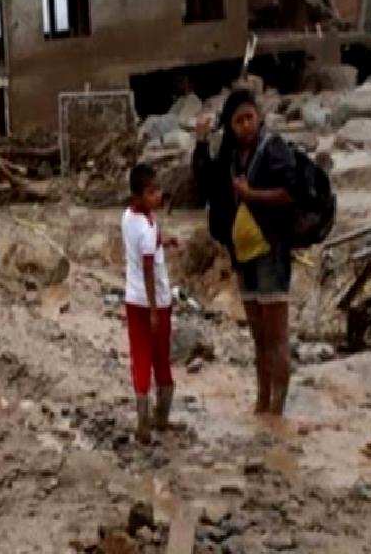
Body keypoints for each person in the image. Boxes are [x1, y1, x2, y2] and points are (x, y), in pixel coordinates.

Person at [193, 88, 297, 416]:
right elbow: (206, 183)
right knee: (258, 336)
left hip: (271, 251)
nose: (245, 126)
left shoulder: (273, 150)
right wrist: (199, 141)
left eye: (249, 118)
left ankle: (277, 409)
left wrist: (252, 195)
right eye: (238, 121)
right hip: (244, 256)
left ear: (259, 117)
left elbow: (290, 192)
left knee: (276, 336)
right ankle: (262, 402)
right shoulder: (231, 158)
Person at [122, 164, 181, 444]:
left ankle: (143, 420)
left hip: (133, 300)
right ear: (138, 195)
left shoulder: (130, 218)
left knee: (140, 357)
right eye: (152, 191)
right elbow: (147, 267)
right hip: (154, 301)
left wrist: (164, 240)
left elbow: (148, 242)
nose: (158, 195)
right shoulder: (146, 228)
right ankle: (161, 418)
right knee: (160, 358)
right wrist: (156, 308)